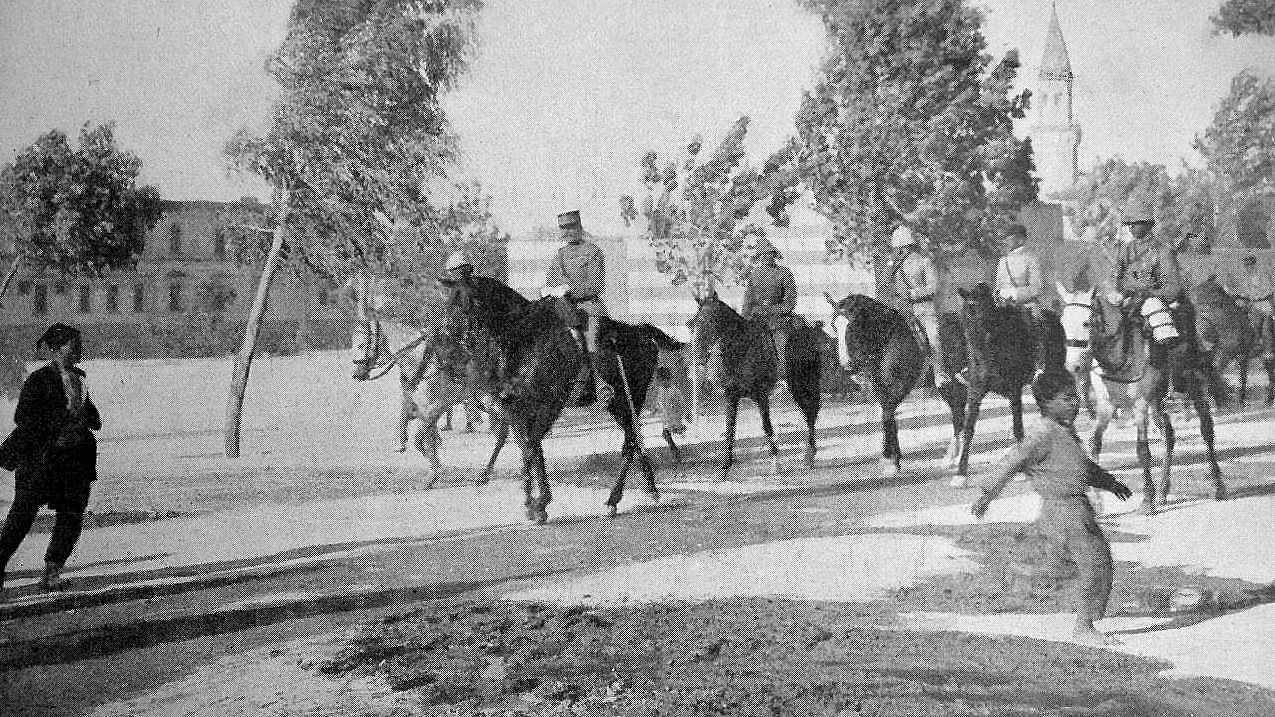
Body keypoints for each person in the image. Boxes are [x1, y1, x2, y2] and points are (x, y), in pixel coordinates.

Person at [971, 370, 1133, 647]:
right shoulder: (1042, 433)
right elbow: (1012, 461)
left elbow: (1082, 467)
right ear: (1047, 402)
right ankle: (1084, 626)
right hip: (1065, 511)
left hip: (1069, 510)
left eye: (1076, 397)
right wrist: (987, 493)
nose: (1076, 403)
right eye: (1067, 398)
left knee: (1073, 563)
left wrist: (1110, 482)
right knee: (1096, 561)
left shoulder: (1063, 432)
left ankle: (1026, 579)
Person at [0, 323, 102, 595]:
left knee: (71, 513)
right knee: (22, 515)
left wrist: (86, 420)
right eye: (74, 345)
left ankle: (52, 573)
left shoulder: (79, 378)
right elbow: (24, 417)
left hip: (74, 461)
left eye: (79, 344)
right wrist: (61, 423)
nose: (80, 349)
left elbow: (91, 414)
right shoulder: (40, 379)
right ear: (57, 350)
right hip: (41, 460)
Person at [544, 210, 614, 403]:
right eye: (563, 228)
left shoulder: (593, 252)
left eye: (571, 227)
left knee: (592, 342)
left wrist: (568, 288)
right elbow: (551, 279)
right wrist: (550, 289)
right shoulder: (560, 254)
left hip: (589, 307)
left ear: (579, 227)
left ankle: (601, 384)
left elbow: (596, 284)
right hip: (566, 308)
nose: (567, 232)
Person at [1109, 197, 1183, 346]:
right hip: (1126, 300)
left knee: (1159, 321)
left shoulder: (1163, 252)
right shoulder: (1125, 249)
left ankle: (1165, 361)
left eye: (1136, 223)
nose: (1131, 227)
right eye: (1130, 224)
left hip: (1152, 301)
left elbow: (1173, 288)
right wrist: (1116, 290)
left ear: (1149, 224)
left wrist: (1149, 294)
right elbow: (1116, 278)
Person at [889, 225, 951, 386]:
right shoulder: (896, 267)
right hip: (905, 310)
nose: (897, 252)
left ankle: (940, 373)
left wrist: (912, 294)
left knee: (933, 339)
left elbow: (934, 287)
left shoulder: (925, 261)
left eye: (899, 248)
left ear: (907, 247)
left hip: (925, 309)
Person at [740, 236, 798, 381]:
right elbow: (747, 302)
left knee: (782, 347)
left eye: (769, 253)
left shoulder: (784, 273)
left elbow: (790, 302)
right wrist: (743, 320)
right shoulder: (754, 275)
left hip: (778, 321)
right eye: (762, 254)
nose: (766, 257)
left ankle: (784, 380)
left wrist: (771, 309)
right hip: (755, 321)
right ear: (759, 257)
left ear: (774, 255)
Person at [993, 223, 1046, 374]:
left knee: (1034, 333)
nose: (1005, 241)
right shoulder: (1003, 261)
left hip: (1027, 307)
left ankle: (1038, 368)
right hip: (1005, 307)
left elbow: (1037, 288)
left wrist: (1015, 294)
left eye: (1008, 238)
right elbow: (998, 286)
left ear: (1020, 240)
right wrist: (999, 295)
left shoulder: (1031, 259)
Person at [1229, 254, 1275, 360]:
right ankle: (1244, 348)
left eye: (1249, 264)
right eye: (1246, 265)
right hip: (1251, 305)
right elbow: (1244, 292)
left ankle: (1268, 350)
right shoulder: (1246, 277)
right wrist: (1238, 296)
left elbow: (1268, 291)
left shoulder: (1262, 275)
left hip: (1263, 304)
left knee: (1264, 325)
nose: (1248, 267)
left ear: (1254, 264)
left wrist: (1253, 299)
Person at [655, 366, 689, 464]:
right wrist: (657, 408)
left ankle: (676, 452)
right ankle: (675, 451)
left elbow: (681, 403)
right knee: (666, 434)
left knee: (669, 433)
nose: (664, 383)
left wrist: (684, 413)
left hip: (675, 415)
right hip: (666, 415)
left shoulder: (675, 390)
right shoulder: (661, 390)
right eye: (662, 381)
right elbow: (659, 402)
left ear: (670, 379)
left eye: (666, 380)